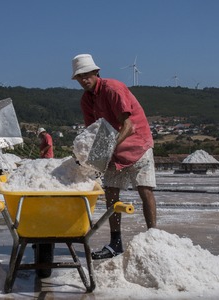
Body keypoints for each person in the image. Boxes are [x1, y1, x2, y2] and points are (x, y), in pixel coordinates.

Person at [71, 54, 157, 260]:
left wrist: (107, 149)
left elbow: (129, 125)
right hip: (113, 150)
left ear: (96, 73)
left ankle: (154, 237)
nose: (84, 80)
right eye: (79, 77)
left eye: (87, 75)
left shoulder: (112, 89)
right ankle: (115, 242)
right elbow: (93, 131)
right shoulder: (86, 100)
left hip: (137, 144)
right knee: (110, 193)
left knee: (144, 190)